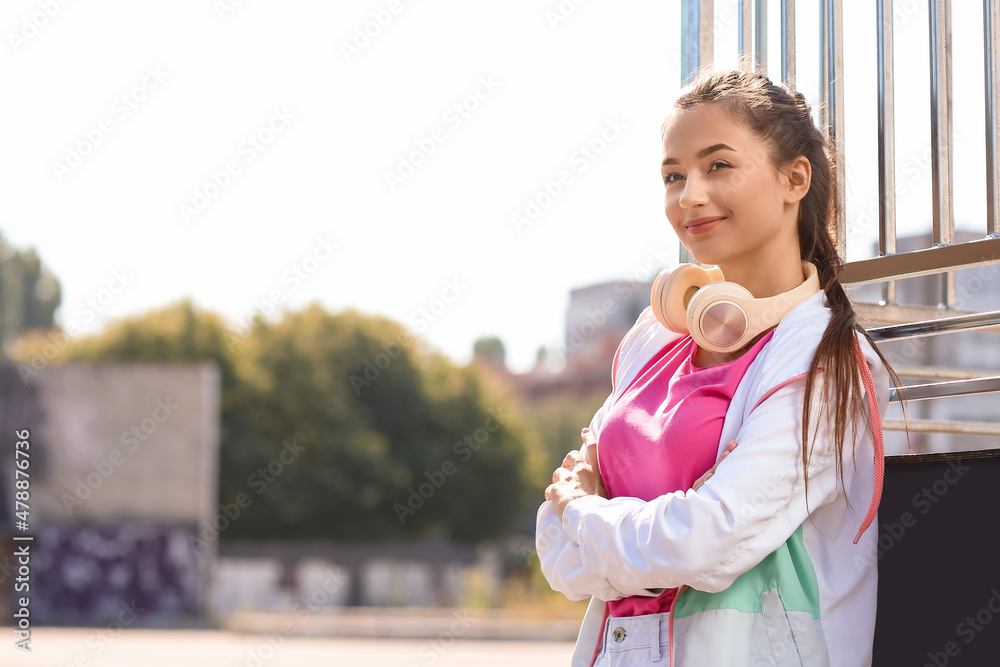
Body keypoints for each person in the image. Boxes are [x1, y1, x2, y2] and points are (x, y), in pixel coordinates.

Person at [535, 67, 901, 667]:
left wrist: (587, 514)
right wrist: (617, 537)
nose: (689, 196)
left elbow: (709, 539)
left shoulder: (825, 363)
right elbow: (557, 554)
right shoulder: (651, 345)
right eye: (673, 176)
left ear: (794, 178)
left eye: (718, 166)